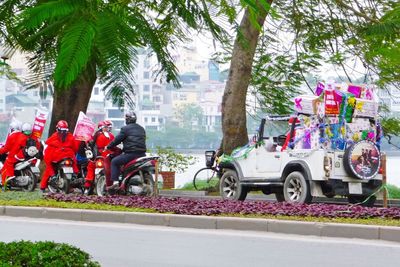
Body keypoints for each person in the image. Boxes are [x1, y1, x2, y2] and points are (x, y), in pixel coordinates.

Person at [105, 111, 146, 191]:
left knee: (114, 161)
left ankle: (115, 183)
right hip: (142, 154)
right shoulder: (141, 129)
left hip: (130, 154)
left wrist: (108, 146)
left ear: (127, 120)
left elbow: (117, 140)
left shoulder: (125, 129)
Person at [40, 120, 79, 192]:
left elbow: (48, 144)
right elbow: (75, 148)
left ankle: (44, 185)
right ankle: (74, 175)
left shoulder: (54, 136)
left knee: (49, 167)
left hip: (56, 156)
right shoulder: (71, 137)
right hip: (69, 156)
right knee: (74, 164)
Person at [1, 123, 40, 187]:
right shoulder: (35, 137)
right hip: (32, 156)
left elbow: (15, 148)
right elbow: (38, 146)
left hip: (21, 155)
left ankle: (11, 176)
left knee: (9, 161)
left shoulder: (20, 136)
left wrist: (11, 155)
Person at [83, 120, 115, 194]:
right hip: (110, 158)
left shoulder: (98, 135)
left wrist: (87, 141)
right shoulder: (112, 136)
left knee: (90, 167)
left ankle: (87, 187)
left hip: (100, 157)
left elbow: (91, 143)